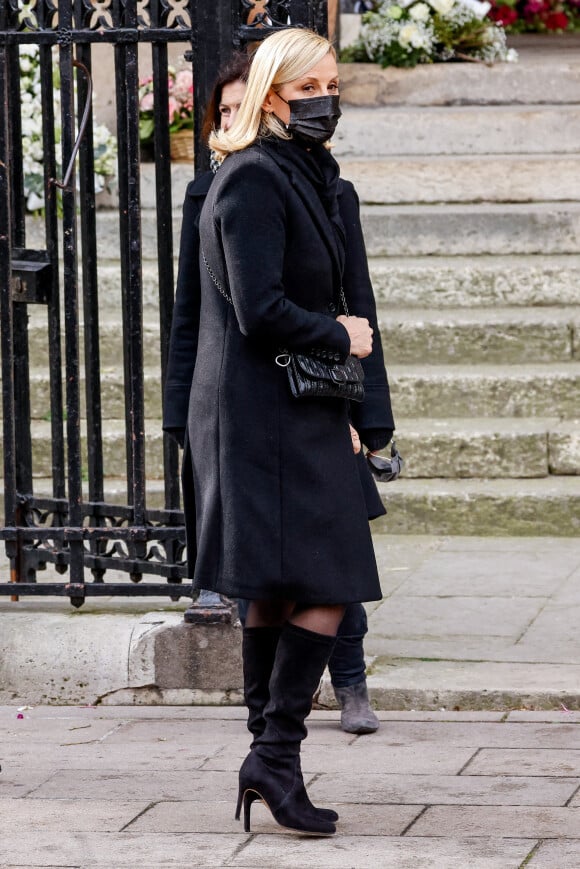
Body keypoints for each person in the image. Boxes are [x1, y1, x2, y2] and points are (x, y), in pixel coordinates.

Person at [164, 53, 395, 737]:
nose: (325, 101)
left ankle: (284, 740)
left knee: (311, 576)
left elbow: (358, 301)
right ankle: (272, 748)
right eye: (308, 89)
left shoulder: (321, 182)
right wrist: (184, 415)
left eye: (332, 87)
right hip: (262, 408)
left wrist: (367, 418)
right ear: (270, 100)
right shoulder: (239, 185)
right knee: (308, 576)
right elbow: (210, 317)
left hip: (312, 400)